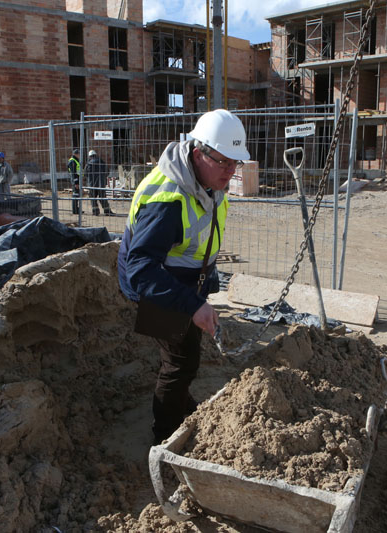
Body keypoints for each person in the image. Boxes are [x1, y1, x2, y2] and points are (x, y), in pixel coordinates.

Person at [117, 109, 250, 444]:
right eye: (224, 162)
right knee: (179, 363)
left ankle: (182, 409)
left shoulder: (206, 180)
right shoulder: (167, 202)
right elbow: (141, 269)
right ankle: (164, 437)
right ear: (197, 153)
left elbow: (200, 232)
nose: (232, 172)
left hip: (181, 282)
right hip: (158, 284)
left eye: (237, 163)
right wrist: (192, 305)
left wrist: (203, 285)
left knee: (184, 353)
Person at [85, 150, 114, 216]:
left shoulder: (88, 164)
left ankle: (95, 211)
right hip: (101, 184)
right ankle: (107, 211)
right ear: (96, 155)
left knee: (93, 198)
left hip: (92, 185)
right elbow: (107, 172)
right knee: (103, 197)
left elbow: (85, 174)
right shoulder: (102, 162)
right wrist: (103, 178)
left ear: (90, 156)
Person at [68, 148, 82, 214]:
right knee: (75, 195)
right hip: (75, 181)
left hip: (77, 180)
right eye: (78, 154)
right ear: (75, 154)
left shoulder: (75, 160)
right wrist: (76, 182)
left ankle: (77, 209)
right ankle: (75, 210)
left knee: (77, 195)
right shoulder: (73, 161)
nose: (79, 155)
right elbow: (73, 173)